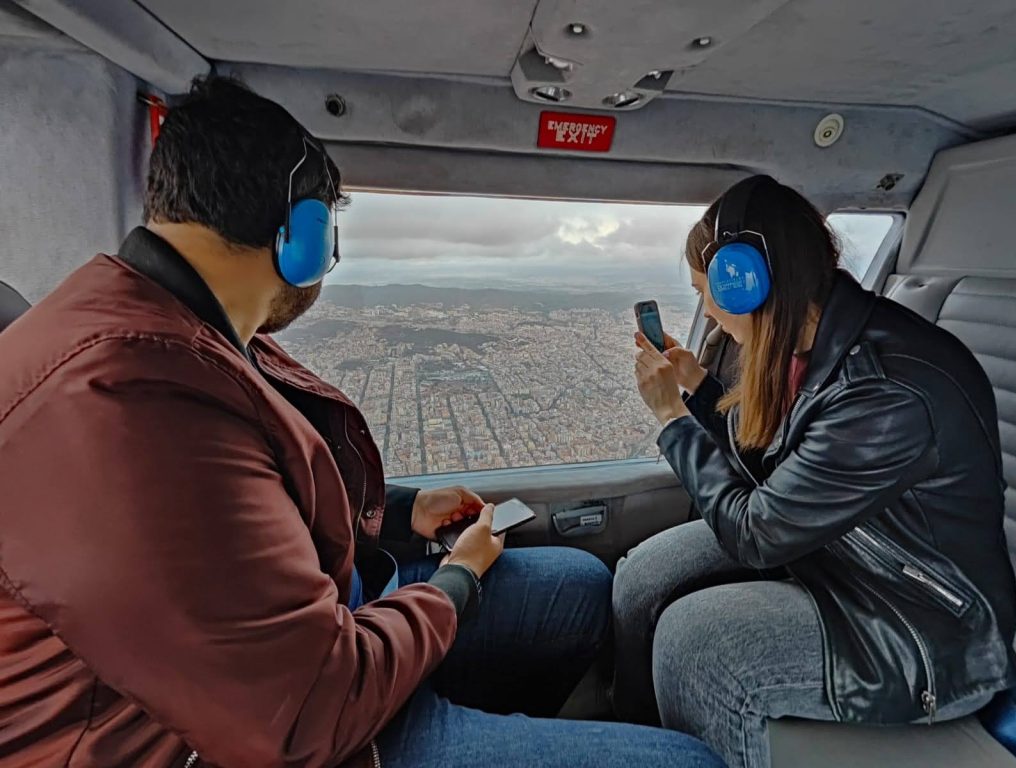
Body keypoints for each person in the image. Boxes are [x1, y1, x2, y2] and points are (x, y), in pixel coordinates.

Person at [0, 76, 724, 768]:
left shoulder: (170, 334)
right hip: (249, 737)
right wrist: (460, 577)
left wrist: (402, 512)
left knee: (574, 589)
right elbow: (311, 709)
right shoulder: (132, 398)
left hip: (301, 654)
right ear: (302, 234)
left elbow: (247, 519)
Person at [616, 175, 1016, 768]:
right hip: (843, 561)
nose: (707, 309)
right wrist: (701, 392)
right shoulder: (814, 347)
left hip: (927, 632)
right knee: (643, 577)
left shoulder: (885, 392)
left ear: (748, 286)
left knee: (694, 643)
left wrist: (673, 421)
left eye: (709, 293)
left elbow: (757, 534)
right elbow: (778, 467)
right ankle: (636, 742)